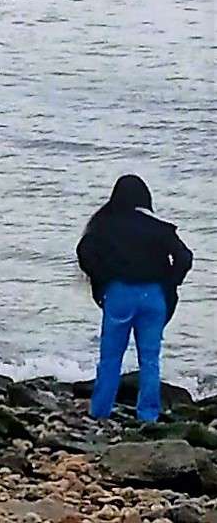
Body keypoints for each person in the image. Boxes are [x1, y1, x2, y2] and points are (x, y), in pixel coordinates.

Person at [77, 174, 192, 424]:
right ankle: (148, 416)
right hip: (153, 296)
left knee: (110, 358)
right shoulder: (159, 228)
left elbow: (84, 252)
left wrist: (103, 279)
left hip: (119, 294)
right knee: (150, 359)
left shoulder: (104, 225)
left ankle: (100, 412)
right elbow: (184, 257)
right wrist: (169, 283)